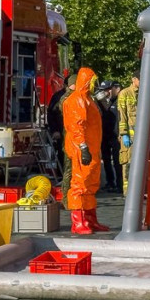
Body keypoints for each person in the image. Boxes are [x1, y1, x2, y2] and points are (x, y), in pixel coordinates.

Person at [62, 67, 109, 234]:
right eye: (93, 82)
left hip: (92, 148)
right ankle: (78, 222)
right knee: (79, 185)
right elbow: (76, 126)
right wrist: (83, 147)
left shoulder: (88, 100)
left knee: (90, 184)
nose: (95, 85)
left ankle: (89, 220)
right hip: (82, 149)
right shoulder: (77, 100)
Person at [48, 73, 77, 188]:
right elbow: (51, 115)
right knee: (62, 155)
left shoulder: (80, 96)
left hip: (76, 134)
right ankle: (63, 180)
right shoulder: (58, 97)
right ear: (66, 85)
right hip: (62, 131)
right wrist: (55, 130)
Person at [116, 74, 139, 194]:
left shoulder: (144, 92)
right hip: (129, 138)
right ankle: (128, 192)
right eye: (139, 79)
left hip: (140, 137)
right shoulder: (125, 94)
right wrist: (124, 133)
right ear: (133, 79)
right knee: (127, 163)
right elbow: (122, 116)